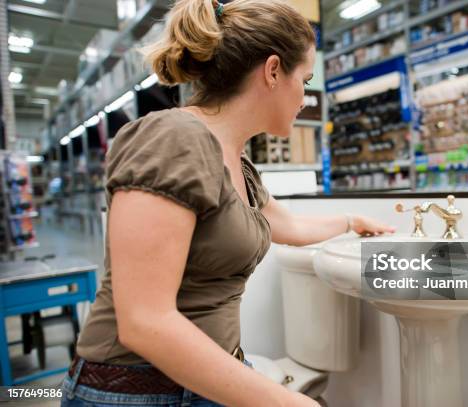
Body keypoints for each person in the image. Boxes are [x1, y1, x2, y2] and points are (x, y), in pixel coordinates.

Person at [61, 0, 395, 406]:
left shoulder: (238, 164)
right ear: (273, 71)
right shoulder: (173, 139)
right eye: (304, 81)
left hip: (203, 380)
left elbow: (289, 228)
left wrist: (352, 220)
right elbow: (144, 321)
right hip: (137, 392)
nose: (305, 99)